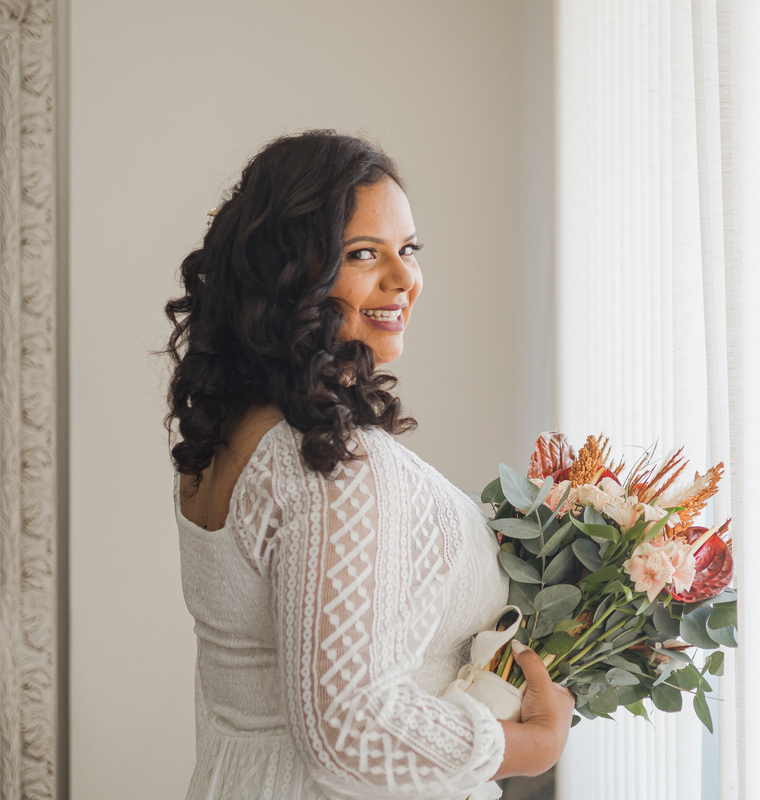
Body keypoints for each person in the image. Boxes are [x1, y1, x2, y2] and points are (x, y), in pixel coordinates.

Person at [165, 131, 573, 799]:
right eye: (363, 254)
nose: (403, 278)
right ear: (289, 274)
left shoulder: (226, 439)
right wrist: (526, 746)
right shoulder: (333, 464)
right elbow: (348, 731)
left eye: (408, 250)